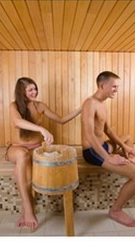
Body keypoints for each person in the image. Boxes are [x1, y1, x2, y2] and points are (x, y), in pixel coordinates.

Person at [80, 71, 135, 227]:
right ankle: (115, 210)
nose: (117, 90)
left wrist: (124, 146)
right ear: (102, 85)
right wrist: (109, 157)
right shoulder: (90, 103)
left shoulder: (102, 103)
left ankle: (132, 159)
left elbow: (108, 130)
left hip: (103, 146)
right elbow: (89, 135)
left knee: (127, 138)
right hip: (93, 151)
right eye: (114, 87)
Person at [6, 77, 81, 230]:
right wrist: (41, 129)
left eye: (35, 88)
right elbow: (18, 122)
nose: (34, 92)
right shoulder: (14, 106)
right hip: (16, 148)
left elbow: (61, 120)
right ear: (22, 92)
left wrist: (81, 109)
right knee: (22, 156)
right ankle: (28, 209)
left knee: (26, 167)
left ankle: (24, 211)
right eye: (30, 90)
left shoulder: (40, 106)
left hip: (35, 149)